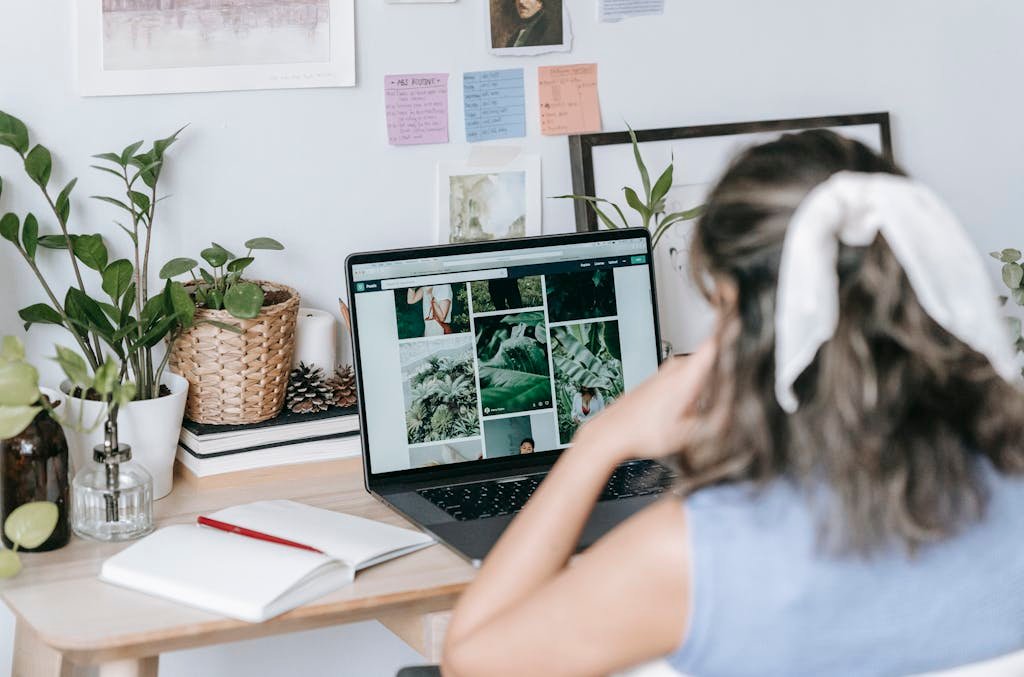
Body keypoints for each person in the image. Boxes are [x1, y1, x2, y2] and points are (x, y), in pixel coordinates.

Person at [441, 130, 1024, 677]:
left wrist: (600, 441)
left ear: (750, 327)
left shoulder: (694, 555)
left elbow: (470, 660)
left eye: (719, 306)